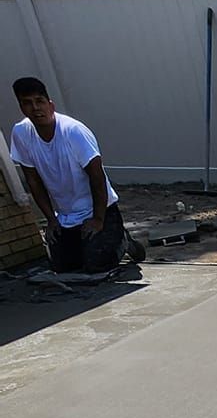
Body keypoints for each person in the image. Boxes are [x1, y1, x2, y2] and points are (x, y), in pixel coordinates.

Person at [9, 76, 144, 272]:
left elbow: (97, 176)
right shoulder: (21, 133)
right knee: (64, 267)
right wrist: (51, 220)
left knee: (97, 264)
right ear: (21, 108)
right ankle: (91, 242)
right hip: (66, 215)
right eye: (27, 103)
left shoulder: (73, 131)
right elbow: (33, 180)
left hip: (101, 210)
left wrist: (98, 219)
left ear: (50, 104)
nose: (35, 108)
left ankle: (122, 239)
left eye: (40, 101)